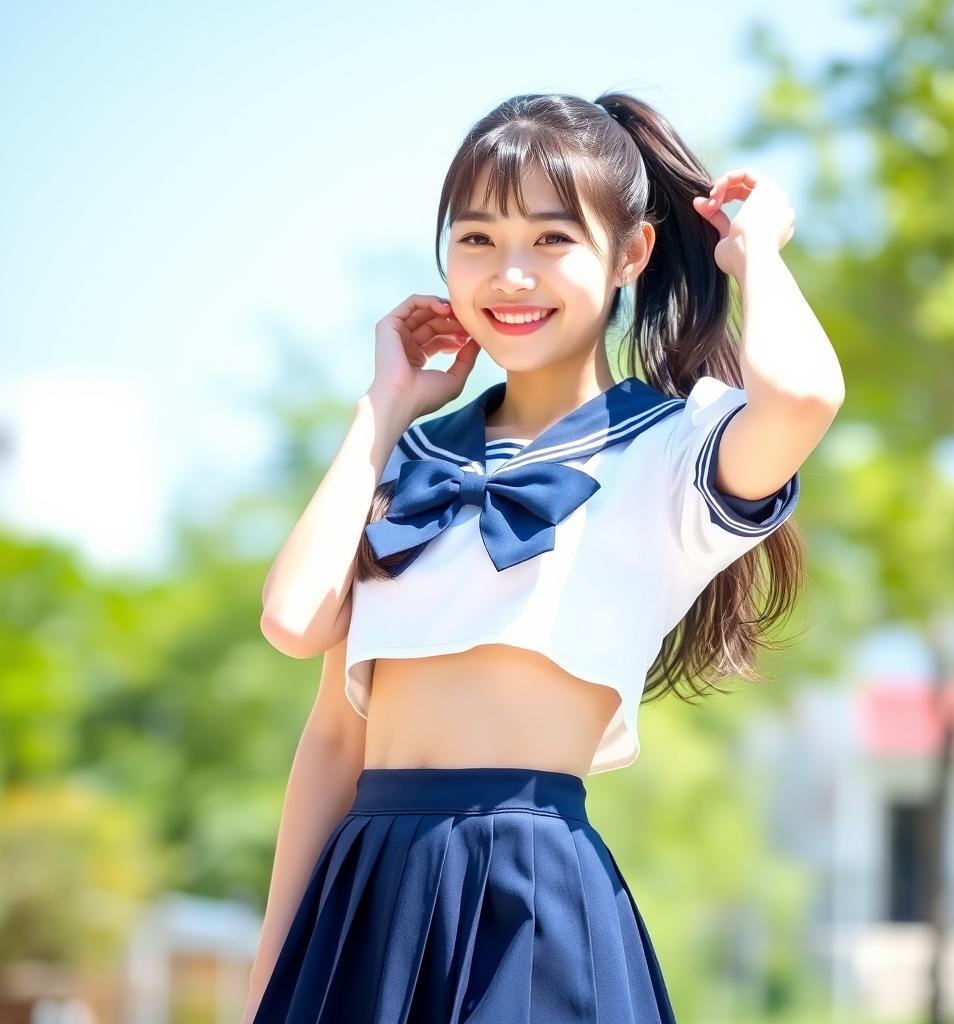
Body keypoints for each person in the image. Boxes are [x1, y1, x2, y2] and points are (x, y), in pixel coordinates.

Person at [245, 90, 845, 1023]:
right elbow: (307, 668)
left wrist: (754, 250)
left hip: (532, 897)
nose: (510, 275)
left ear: (631, 255)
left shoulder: (676, 449)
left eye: (552, 240)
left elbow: (804, 397)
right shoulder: (411, 455)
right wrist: (383, 408)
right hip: (363, 902)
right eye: (477, 239)